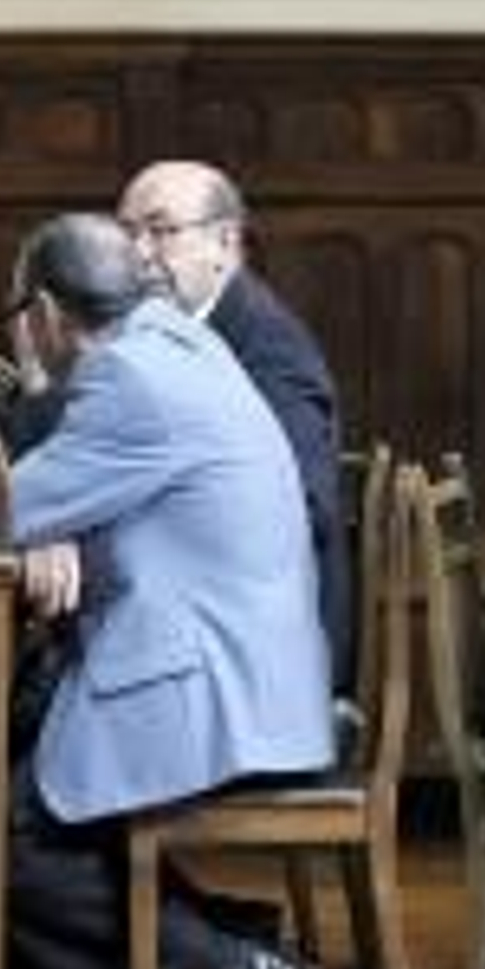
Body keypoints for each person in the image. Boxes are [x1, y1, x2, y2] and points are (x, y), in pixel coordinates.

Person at [4, 211, 334, 969]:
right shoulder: (174, 345)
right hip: (251, 666)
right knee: (9, 766)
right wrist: (54, 525)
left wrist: (41, 511)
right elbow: (63, 499)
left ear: (43, 309)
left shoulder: (128, 380)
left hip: (210, 683)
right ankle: (225, 939)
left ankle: (220, 966)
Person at [115, 159, 354, 694]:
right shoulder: (153, 336)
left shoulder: (270, 352)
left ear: (225, 242)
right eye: (126, 234)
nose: (138, 255)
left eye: (160, 231)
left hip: (261, 656)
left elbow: (299, 509)